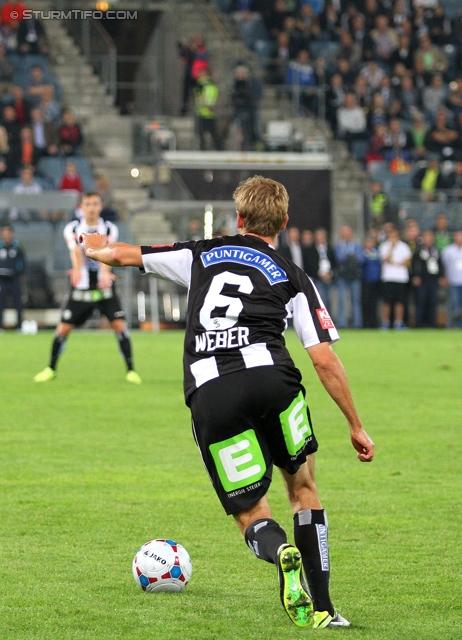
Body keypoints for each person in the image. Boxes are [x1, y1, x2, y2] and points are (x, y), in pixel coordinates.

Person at [80, 175, 374, 630]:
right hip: (276, 380)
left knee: (251, 512)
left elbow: (119, 254)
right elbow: (324, 360)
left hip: (213, 391)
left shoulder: (200, 254)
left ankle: (279, 551)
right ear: (284, 222)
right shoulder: (296, 277)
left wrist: (94, 243)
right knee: (303, 490)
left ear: (238, 219)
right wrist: (355, 424)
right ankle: (324, 609)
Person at [34, 192, 142, 384]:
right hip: (81, 287)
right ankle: (50, 368)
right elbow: (75, 250)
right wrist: (77, 270)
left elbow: (107, 252)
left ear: (100, 206)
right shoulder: (73, 228)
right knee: (62, 329)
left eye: (95, 204)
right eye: (87, 204)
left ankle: (131, 370)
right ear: (81, 207)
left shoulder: (109, 228)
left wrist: (106, 272)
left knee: (120, 326)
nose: (91, 208)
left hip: (103, 287)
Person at [379, 225, 412, 329]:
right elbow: (385, 260)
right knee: (387, 302)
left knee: (400, 302)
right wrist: (391, 249)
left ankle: (399, 322)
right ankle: (386, 322)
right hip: (388, 277)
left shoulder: (404, 246)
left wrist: (394, 263)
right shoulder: (384, 246)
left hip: (401, 278)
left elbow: (407, 262)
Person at [411, 229, 443, 328]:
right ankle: (419, 324)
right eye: (426, 237)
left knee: (432, 303)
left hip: (433, 280)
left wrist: (441, 277)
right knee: (421, 302)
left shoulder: (436, 250)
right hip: (422, 281)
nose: (428, 239)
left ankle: (432, 324)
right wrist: (415, 276)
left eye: (430, 237)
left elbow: (440, 265)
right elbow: (415, 265)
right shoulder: (419, 250)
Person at [335, 226, 363, 328]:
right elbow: (339, 258)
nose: (346, 235)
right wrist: (351, 258)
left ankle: (357, 323)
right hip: (342, 276)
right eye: (344, 233)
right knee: (341, 300)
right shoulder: (338, 246)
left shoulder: (356, 246)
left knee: (356, 300)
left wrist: (349, 259)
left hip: (354, 276)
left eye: (348, 233)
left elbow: (360, 259)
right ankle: (342, 323)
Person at [0, 223, 25, 330]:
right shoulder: (0, 247)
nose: (6, 236)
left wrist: (21, 274)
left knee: (18, 303)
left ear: (11, 233)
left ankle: (19, 326)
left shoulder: (17, 246)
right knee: (1, 303)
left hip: (14, 279)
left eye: (8, 233)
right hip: (2, 279)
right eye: (4, 233)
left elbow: (23, 262)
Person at [194, 69, 221, 151]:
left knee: (207, 133)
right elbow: (200, 97)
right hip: (204, 112)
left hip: (206, 112)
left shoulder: (205, 84)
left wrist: (212, 106)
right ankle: (216, 149)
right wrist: (211, 107)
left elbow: (216, 96)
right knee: (206, 133)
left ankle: (212, 149)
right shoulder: (204, 84)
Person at [441, 230, 462, 328]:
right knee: (454, 303)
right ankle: (452, 325)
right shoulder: (448, 250)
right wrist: (445, 277)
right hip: (453, 281)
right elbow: (444, 266)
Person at [361, 234, 381, 329]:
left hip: (376, 281)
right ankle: (366, 323)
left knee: (374, 303)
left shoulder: (377, 252)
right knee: (366, 302)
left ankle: (374, 323)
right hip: (366, 281)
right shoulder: (362, 253)